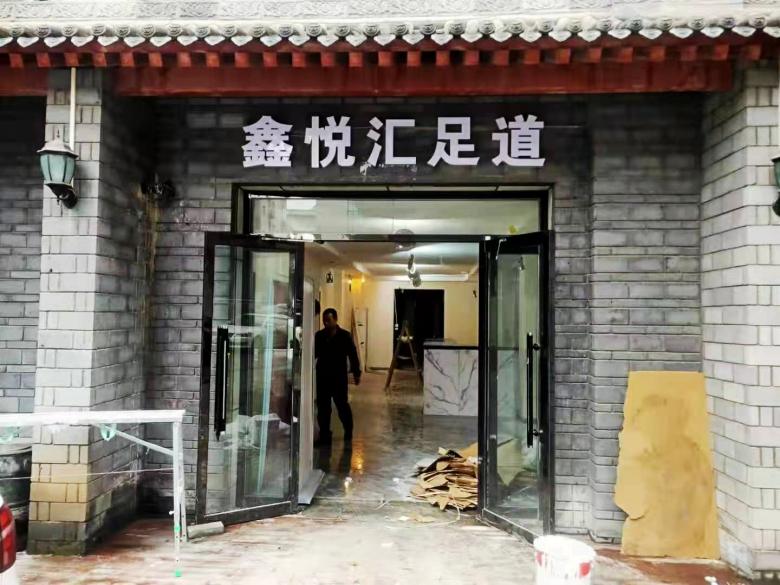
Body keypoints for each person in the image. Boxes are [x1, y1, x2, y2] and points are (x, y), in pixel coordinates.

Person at [314, 308, 361, 446]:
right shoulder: (319, 336)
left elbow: (353, 355)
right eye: (324, 321)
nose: (326, 323)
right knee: (323, 408)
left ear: (335, 319)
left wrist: (356, 373)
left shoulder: (344, 336)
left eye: (328, 320)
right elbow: (314, 354)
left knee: (342, 405)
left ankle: (348, 430)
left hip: (338, 377)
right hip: (323, 377)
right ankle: (325, 435)